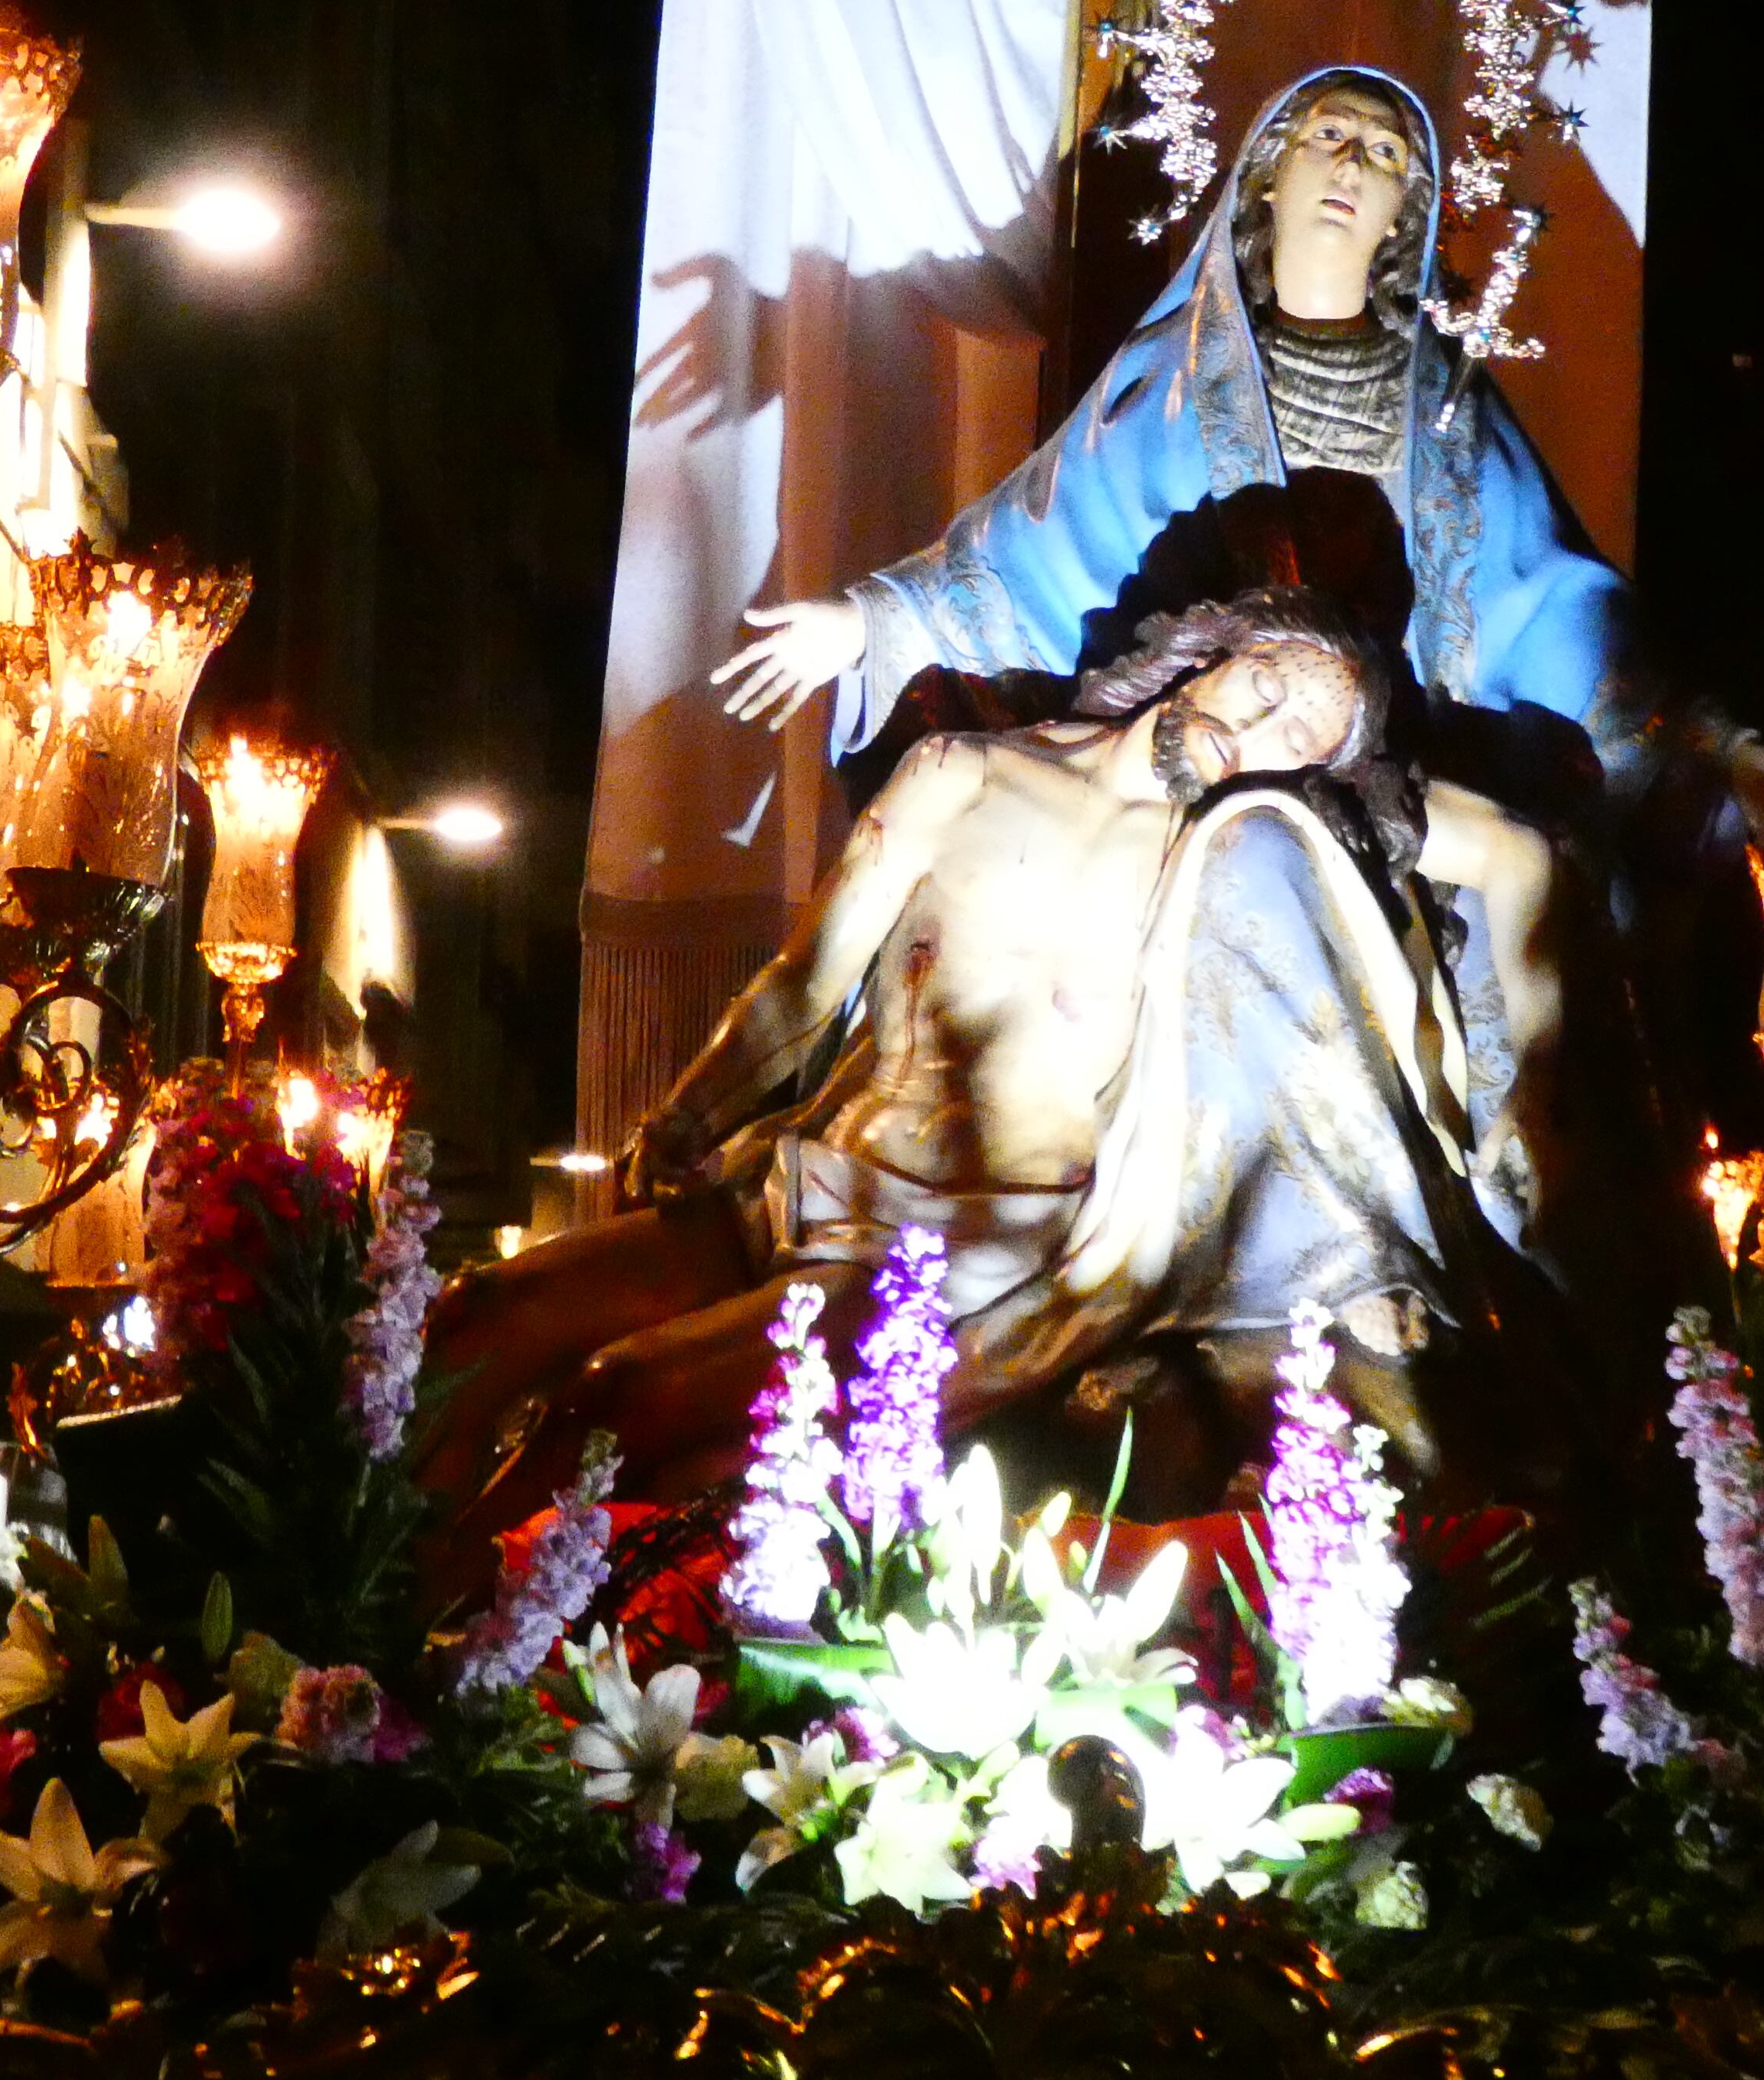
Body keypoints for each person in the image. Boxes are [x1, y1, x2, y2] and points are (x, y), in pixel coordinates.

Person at [415, 589, 1567, 1598]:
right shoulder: (965, 771)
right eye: (1262, 685)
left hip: (957, 1250)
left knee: (616, 1402)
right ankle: (346, 1609)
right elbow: (807, 982)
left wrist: (1523, 1106)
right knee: (475, 1327)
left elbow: (1518, 854)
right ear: (1210, 653)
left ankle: (450, 1674)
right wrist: (693, 1112)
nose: (1254, 733)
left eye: (1298, 743)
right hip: (803, 1183)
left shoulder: (1226, 862)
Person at [709, 66, 1764, 853]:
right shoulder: (1172, 382)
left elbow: (1553, 612)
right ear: (1267, 174)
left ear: (1409, 215)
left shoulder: (1443, 416)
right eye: (1329, 136)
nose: (1353, 163)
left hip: (1392, 775)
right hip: (1184, 763)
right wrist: (869, 623)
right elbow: (1036, 556)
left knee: (1524, 892)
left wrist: (1713, 748)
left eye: (1386, 153)